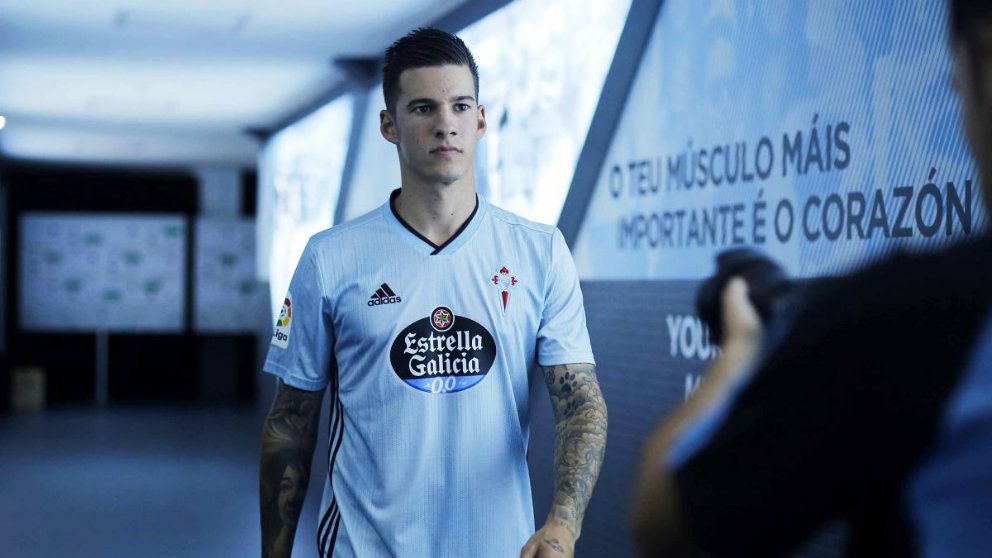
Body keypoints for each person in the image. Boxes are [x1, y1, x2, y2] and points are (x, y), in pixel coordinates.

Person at [630, 0, 992, 556]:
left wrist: (742, 352)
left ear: (981, 64)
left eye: (954, 83)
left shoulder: (907, 319)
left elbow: (662, 518)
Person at [259, 27, 607, 558]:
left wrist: (563, 524)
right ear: (389, 126)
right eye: (422, 108)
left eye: (460, 106)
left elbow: (580, 402)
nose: (446, 124)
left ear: (482, 120)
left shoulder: (540, 252)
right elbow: (290, 424)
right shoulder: (330, 258)